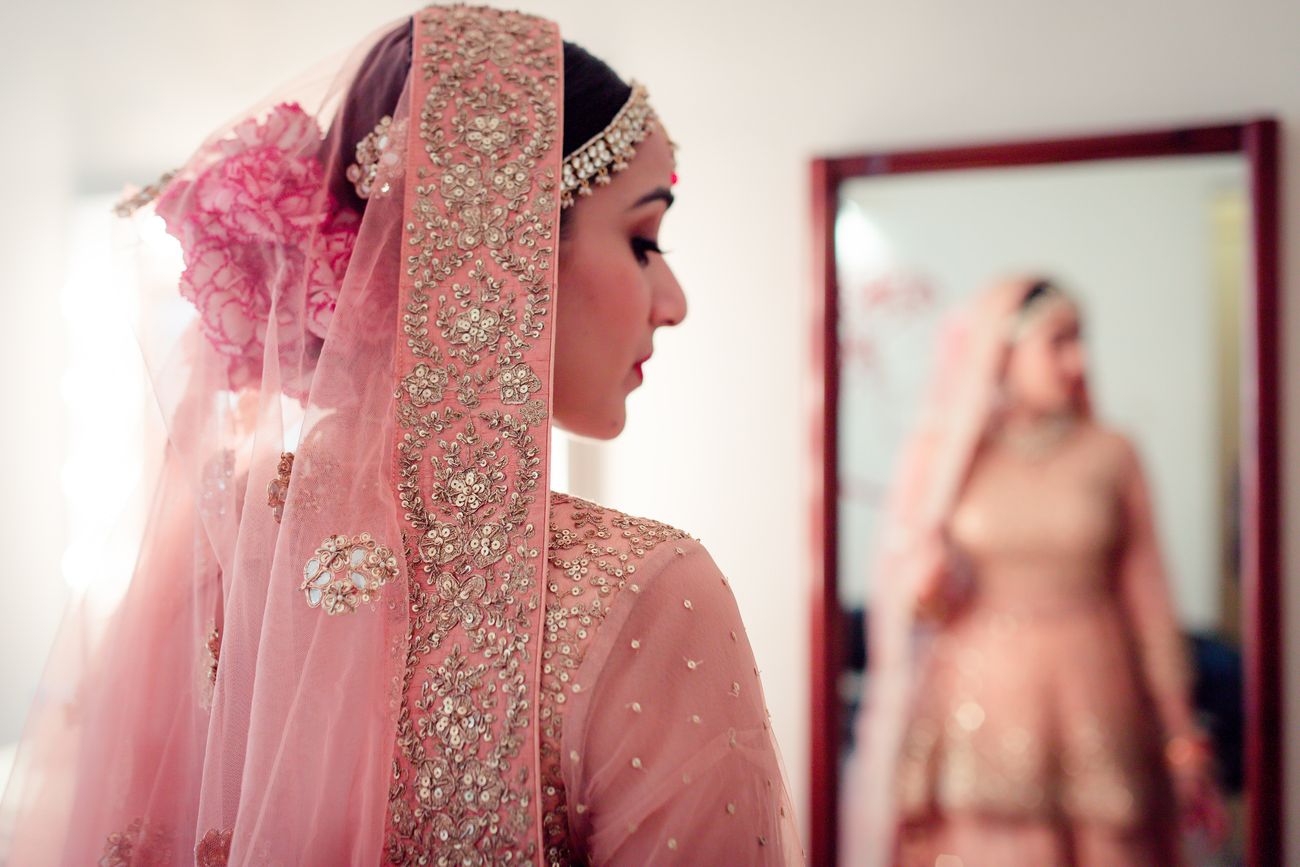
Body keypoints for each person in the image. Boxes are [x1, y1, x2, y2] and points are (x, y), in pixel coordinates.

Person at [0, 7, 803, 864]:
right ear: (505, 245)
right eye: (643, 240)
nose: (673, 302)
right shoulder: (646, 592)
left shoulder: (216, 551)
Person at [841, 279, 1224, 866]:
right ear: (1004, 353)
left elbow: (1150, 602)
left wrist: (1180, 738)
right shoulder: (949, 456)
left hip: (1097, 695)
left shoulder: (1112, 454)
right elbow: (917, 604)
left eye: (1082, 340)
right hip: (980, 706)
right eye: (1059, 341)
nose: (1079, 361)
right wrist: (927, 577)